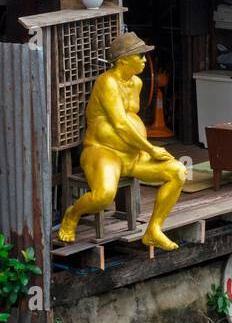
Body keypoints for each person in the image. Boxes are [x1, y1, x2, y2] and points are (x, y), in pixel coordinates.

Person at [57, 32, 187, 251]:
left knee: (178, 172)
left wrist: (145, 149)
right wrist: (151, 148)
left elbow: (132, 118)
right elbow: (119, 124)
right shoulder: (107, 82)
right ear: (124, 60)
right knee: (104, 195)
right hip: (103, 151)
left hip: (133, 155)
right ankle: (72, 214)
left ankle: (154, 229)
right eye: (140, 56)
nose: (145, 61)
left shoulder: (136, 83)